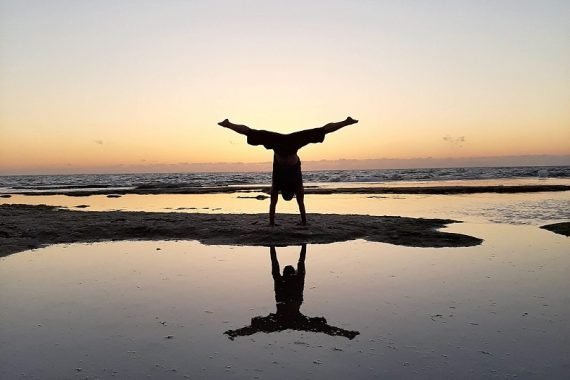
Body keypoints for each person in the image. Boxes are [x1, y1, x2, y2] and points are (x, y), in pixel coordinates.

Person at [218, 117, 358, 226]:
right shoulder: (281, 184)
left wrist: (275, 223)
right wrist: (274, 223)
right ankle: (228, 124)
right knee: (250, 132)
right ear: (285, 192)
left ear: (290, 193)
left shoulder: (290, 185)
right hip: (283, 144)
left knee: (321, 130)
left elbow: (293, 204)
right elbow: (277, 204)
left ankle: (346, 122)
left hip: (289, 143)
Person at [224, 245, 359, 340]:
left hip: (284, 317)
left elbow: (275, 263)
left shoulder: (281, 280)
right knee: (321, 328)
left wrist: (272, 247)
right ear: (293, 273)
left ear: (284, 273)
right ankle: (346, 334)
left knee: (258, 328)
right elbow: (301, 261)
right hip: (291, 317)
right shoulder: (297, 280)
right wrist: (303, 245)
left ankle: (235, 334)